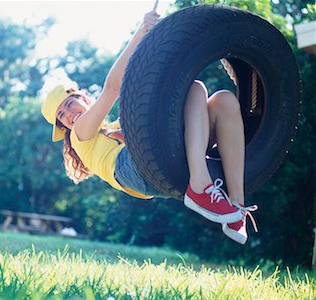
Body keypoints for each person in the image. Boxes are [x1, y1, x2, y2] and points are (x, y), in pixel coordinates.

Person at [41, 10, 258, 244]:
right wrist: (141, 33)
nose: (68, 116)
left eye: (68, 105)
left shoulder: (110, 129)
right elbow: (113, 88)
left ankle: (237, 208)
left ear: (82, 98)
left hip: (156, 166)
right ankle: (200, 187)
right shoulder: (78, 134)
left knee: (223, 101)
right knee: (194, 88)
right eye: (61, 117)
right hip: (133, 170)